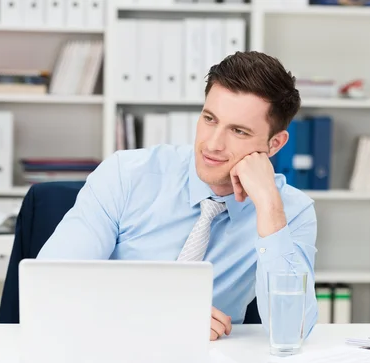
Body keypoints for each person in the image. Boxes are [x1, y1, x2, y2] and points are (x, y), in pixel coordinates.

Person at [37, 51, 319, 341]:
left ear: (274, 144)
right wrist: (166, 314)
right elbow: (49, 285)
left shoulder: (291, 210)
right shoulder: (127, 175)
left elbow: (291, 332)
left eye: (238, 131)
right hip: (112, 346)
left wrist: (270, 208)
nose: (213, 144)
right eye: (209, 119)